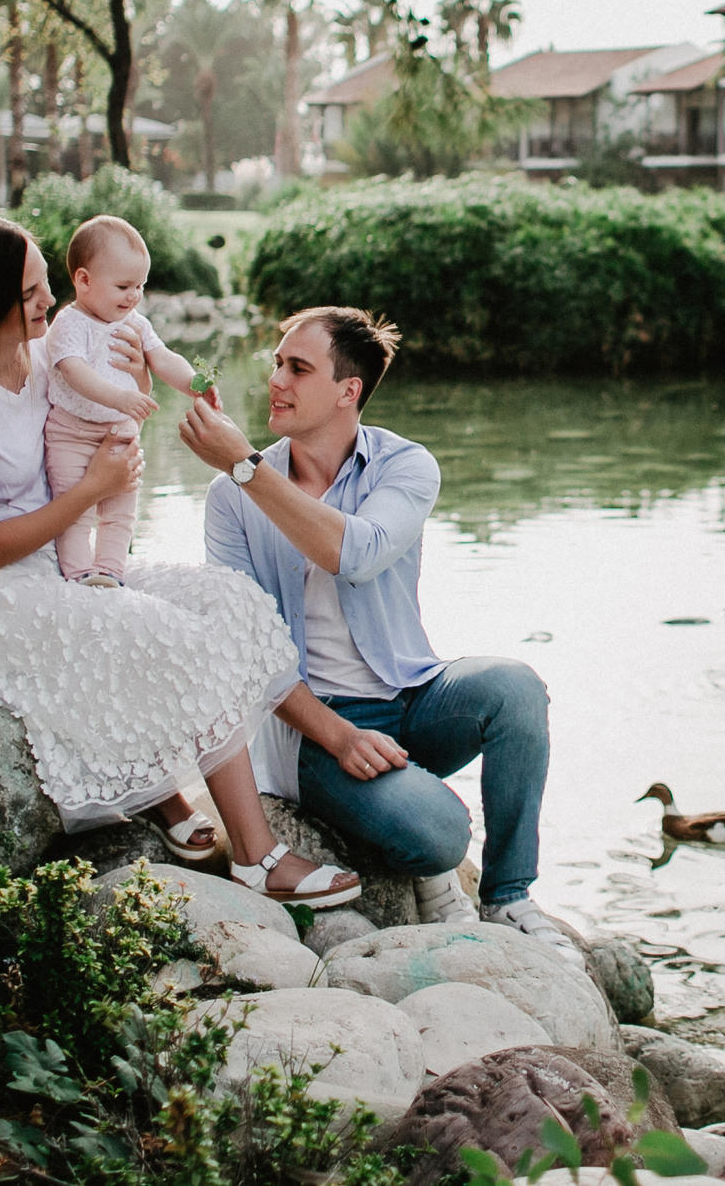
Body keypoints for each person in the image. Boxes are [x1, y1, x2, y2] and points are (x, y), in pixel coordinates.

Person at [0, 212, 362, 907]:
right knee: (161, 633)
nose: (50, 301)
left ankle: (169, 797)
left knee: (223, 600)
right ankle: (256, 854)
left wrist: (147, 378)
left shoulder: (43, 357)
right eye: (32, 292)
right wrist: (94, 487)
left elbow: (115, 367)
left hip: (63, 556)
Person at [182, 306, 576, 961]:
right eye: (278, 362)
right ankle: (420, 845)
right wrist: (337, 735)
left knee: (516, 688)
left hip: (410, 693)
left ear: (348, 390)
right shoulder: (229, 500)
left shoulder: (405, 466)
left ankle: (509, 895)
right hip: (315, 728)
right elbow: (244, 645)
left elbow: (357, 553)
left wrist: (248, 467)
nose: (276, 378)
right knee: (443, 833)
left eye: (297, 367)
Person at [42, 214, 206, 587]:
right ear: (84, 281)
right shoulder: (69, 323)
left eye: (140, 286)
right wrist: (120, 397)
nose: (134, 296)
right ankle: (78, 572)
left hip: (119, 433)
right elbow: (73, 370)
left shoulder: (134, 321)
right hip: (72, 432)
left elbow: (162, 357)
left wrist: (194, 383)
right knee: (75, 507)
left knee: (120, 509)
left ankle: (111, 570)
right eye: (123, 286)